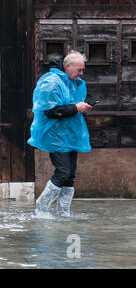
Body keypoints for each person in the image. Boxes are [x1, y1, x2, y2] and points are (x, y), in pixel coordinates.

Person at [28, 50, 92, 217]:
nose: (81, 73)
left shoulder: (73, 82)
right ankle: (41, 208)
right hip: (55, 136)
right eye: (79, 70)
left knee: (70, 175)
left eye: (82, 70)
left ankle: (64, 212)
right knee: (63, 172)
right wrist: (76, 108)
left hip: (70, 135)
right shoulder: (52, 83)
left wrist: (81, 108)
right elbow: (50, 111)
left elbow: (70, 106)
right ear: (68, 67)